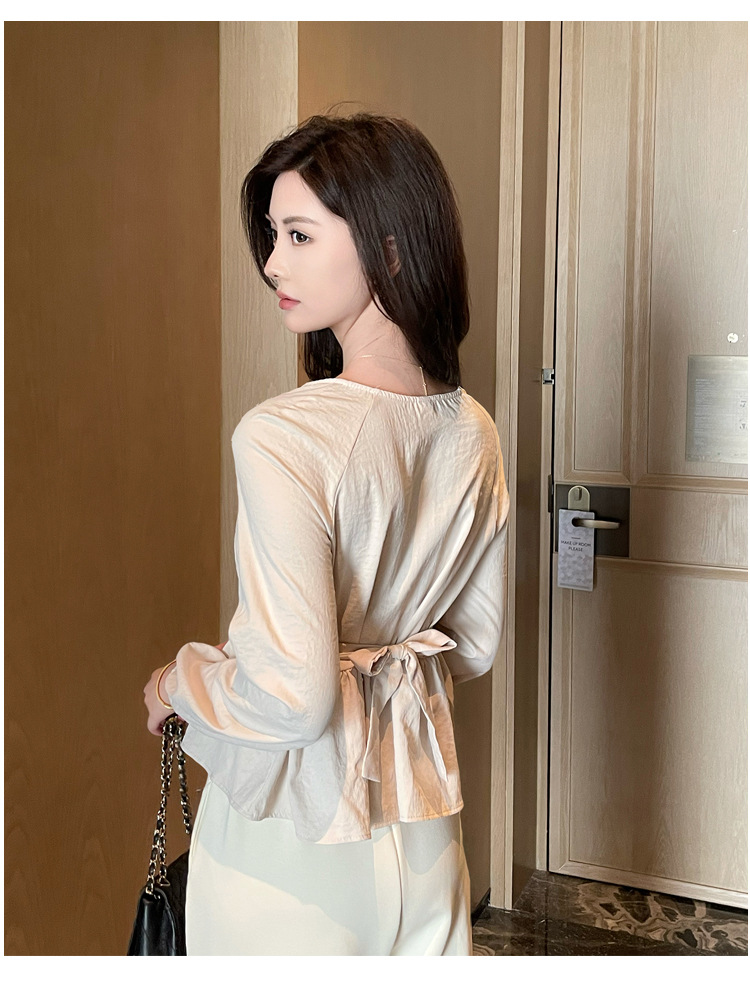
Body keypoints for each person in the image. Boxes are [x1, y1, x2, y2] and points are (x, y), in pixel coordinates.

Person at [142, 110, 511, 956]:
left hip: (292, 849)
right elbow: (475, 645)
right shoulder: (474, 429)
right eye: (274, 235)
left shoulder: (285, 435)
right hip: (422, 834)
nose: (273, 262)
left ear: (390, 249)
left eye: (300, 235)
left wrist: (176, 683)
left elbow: (292, 699)